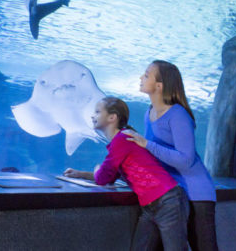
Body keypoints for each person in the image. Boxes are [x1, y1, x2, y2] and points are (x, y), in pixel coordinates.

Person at [64, 96, 188, 251]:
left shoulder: (122, 139)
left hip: (167, 201)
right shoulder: (122, 139)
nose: (92, 115)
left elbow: (103, 177)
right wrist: (80, 174)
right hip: (151, 206)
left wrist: (97, 170)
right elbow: (110, 175)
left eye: (97, 111)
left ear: (112, 117)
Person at [123, 60, 218, 251]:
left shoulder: (178, 114)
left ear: (160, 85)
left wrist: (147, 144)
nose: (141, 77)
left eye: (147, 74)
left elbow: (186, 160)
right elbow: (154, 156)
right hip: (169, 196)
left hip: (195, 194)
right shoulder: (149, 113)